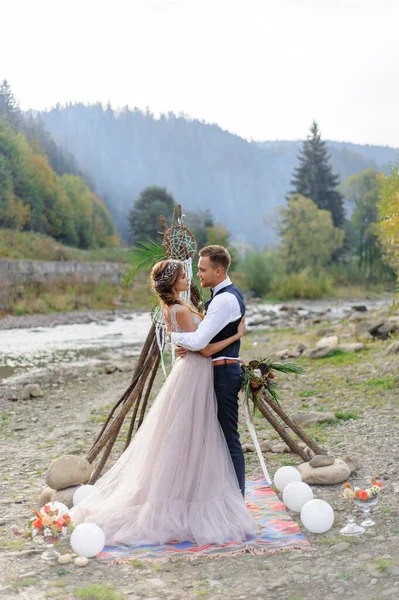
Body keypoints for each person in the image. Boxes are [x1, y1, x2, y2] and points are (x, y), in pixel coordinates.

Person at [69, 259, 255, 547]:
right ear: (172, 282)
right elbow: (204, 348)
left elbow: (194, 341)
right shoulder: (180, 309)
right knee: (193, 434)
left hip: (194, 371)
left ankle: (191, 491)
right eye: (183, 276)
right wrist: (236, 335)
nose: (189, 278)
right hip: (196, 372)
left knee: (190, 435)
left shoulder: (178, 306)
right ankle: (187, 498)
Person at [172, 245, 246, 496]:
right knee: (208, 437)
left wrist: (173, 336)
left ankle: (237, 499)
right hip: (213, 372)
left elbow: (200, 342)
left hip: (223, 374)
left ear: (218, 270)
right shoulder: (218, 296)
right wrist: (188, 346)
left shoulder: (224, 300)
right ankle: (215, 495)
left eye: (202, 270)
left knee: (227, 437)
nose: (198, 274)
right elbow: (200, 344)